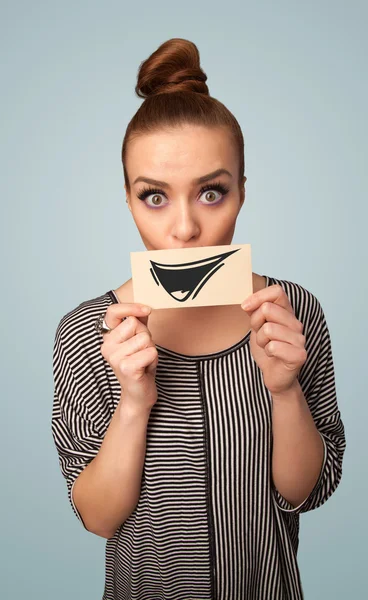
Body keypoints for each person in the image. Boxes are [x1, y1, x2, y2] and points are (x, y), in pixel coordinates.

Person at [51, 38, 346, 600]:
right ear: (128, 200)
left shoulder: (292, 311)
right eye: (154, 197)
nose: (184, 229)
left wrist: (285, 393)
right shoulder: (90, 330)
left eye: (211, 192)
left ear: (241, 193)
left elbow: (308, 491)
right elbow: (96, 518)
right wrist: (134, 402)